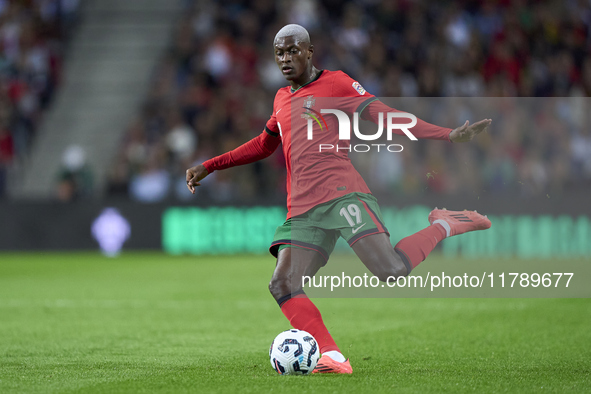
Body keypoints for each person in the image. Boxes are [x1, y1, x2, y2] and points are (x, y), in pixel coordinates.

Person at [186, 24, 492, 374]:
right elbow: (263, 144)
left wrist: (448, 134)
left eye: (292, 50)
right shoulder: (281, 98)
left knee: (390, 270)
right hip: (302, 210)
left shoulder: (338, 84)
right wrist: (210, 166)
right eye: (279, 53)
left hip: (341, 195)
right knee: (282, 283)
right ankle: (333, 355)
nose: (285, 59)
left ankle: (443, 225)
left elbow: (386, 117)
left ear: (309, 51)